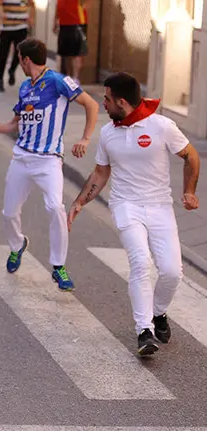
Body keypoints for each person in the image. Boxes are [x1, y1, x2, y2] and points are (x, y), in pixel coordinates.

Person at [67, 72, 200, 356]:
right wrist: (80, 201)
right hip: (126, 205)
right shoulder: (108, 134)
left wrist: (189, 191)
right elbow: (101, 172)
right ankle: (144, 331)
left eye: (107, 98)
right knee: (141, 262)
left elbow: (191, 155)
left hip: (160, 207)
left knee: (172, 272)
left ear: (122, 102)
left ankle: (158, 312)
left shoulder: (162, 126)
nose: (103, 103)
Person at [0, 37, 98, 291]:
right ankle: (18, 244)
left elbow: (91, 104)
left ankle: (59, 266)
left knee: (55, 208)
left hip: (49, 161)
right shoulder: (26, 88)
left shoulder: (58, 81)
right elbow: (13, 124)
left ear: (25, 59)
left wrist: (85, 138)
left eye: (18, 58)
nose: (18, 62)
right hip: (22, 158)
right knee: (9, 213)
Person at [0, 0, 34, 93]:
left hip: (21, 29)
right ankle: (0, 79)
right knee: (3, 54)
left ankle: (12, 70)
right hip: (6, 29)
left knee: (20, 53)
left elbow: (32, 5)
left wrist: (31, 18)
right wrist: (1, 14)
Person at [54, 0, 89, 83]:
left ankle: (76, 78)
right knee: (66, 54)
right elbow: (58, 5)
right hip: (64, 23)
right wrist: (55, 20)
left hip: (78, 23)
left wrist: (83, 6)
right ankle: (69, 78)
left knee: (78, 53)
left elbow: (86, 3)